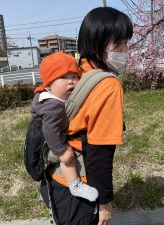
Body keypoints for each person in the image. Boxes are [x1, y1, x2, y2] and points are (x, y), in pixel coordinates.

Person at [40, 6, 133, 225]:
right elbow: (100, 152)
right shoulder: (108, 85)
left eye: (126, 43)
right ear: (95, 45)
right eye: (117, 43)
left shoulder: (76, 72)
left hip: (55, 181)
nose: (124, 50)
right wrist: (105, 203)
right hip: (81, 189)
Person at [32, 52, 99, 202]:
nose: (71, 82)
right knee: (69, 157)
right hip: (51, 145)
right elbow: (50, 131)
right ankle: (75, 186)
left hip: (51, 141)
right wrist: (61, 151)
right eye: (63, 77)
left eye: (74, 76)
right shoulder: (53, 105)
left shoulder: (49, 97)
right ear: (49, 84)